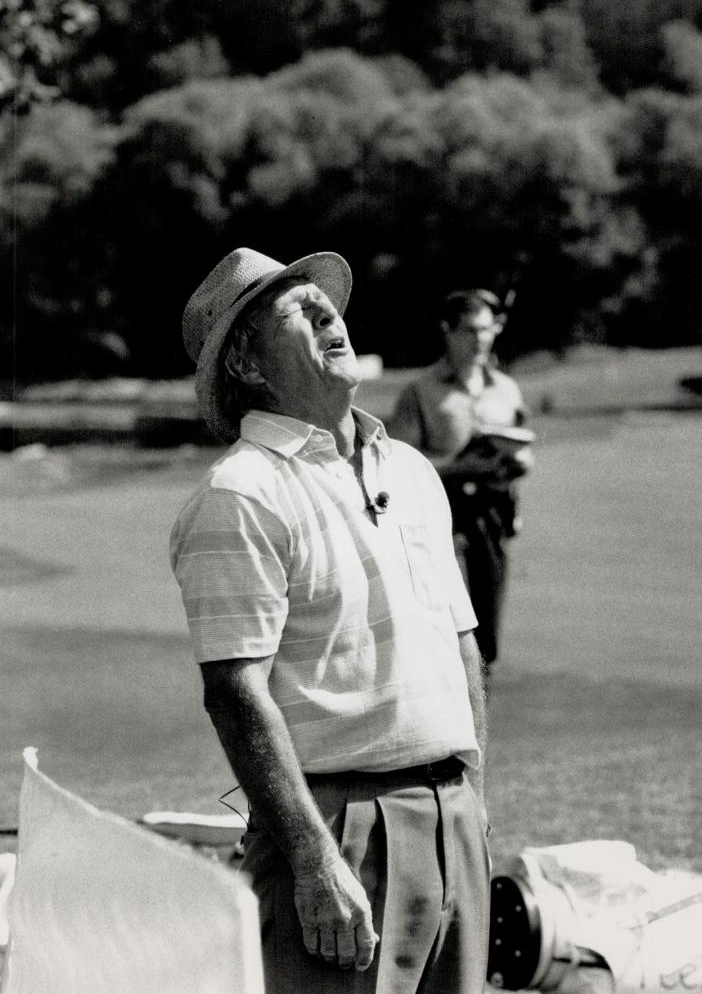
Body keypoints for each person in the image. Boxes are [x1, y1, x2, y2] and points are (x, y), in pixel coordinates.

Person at [170, 247, 491, 994]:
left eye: (326, 303)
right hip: (334, 830)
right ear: (247, 364)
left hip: (452, 815)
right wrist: (314, 859)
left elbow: (462, 645)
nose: (327, 315)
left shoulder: (408, 469)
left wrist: (474, 803)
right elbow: (235, 693)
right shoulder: (239, 493)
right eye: (297, 310)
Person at [387, 289, 533, 668]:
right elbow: (398, 465)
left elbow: (524, 449)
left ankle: (477, 725)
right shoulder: (420, 392)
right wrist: (460, 468)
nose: (480, 339)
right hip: (441, 524)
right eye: (469, 330)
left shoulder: (506, 388)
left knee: (487, 641)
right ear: (447, 330)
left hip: (493, 520)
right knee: (447, 639)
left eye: (486, 330)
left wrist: (517, 463)